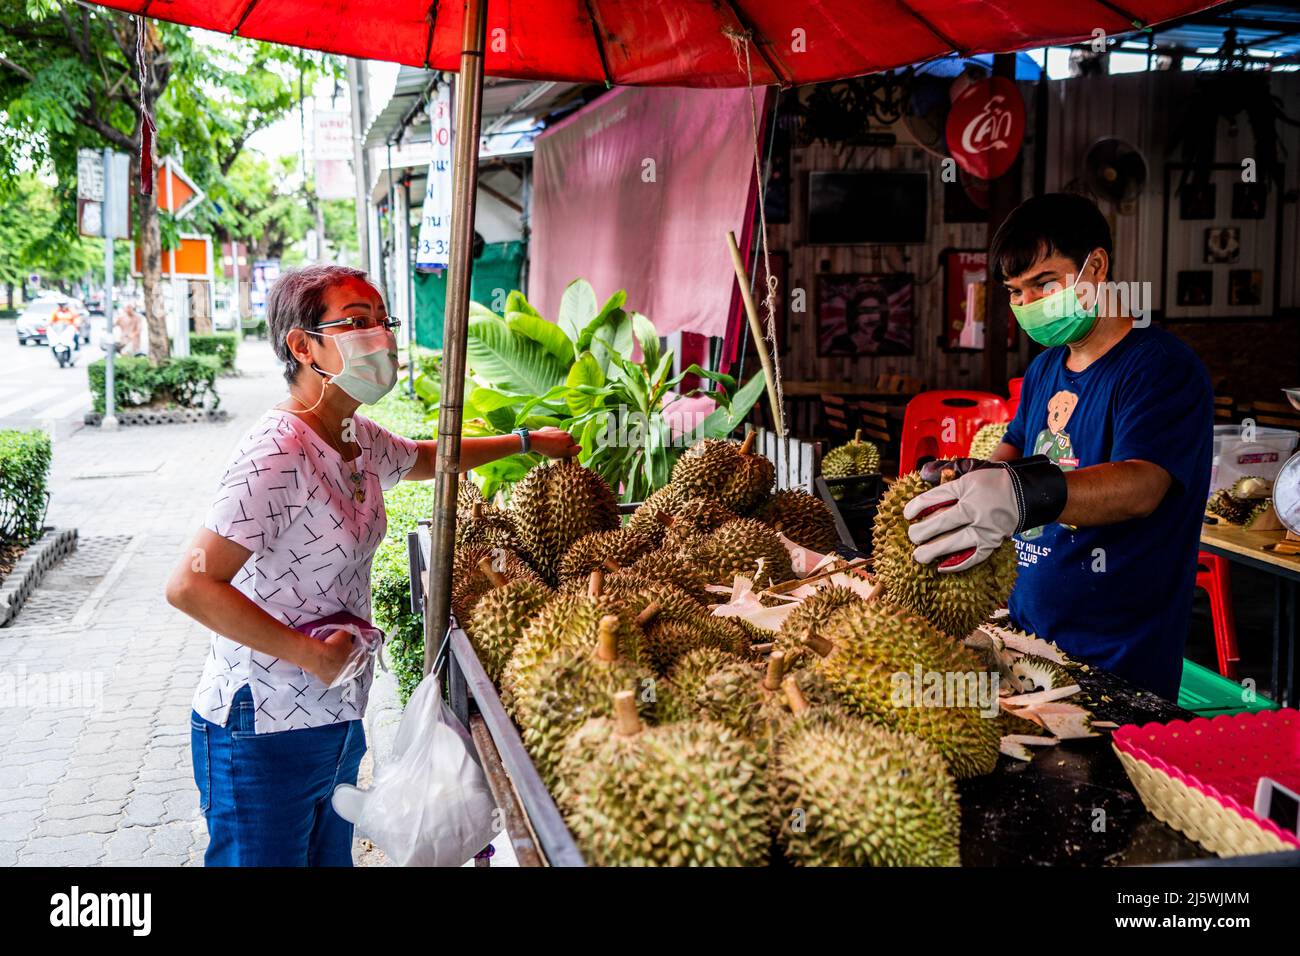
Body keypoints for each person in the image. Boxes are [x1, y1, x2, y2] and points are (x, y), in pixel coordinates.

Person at [165, 265, 580, 866]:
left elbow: (423, 458)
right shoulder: (277, 450)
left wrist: (527, 443)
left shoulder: (349, 433)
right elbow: (190, 585)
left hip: (335, 713)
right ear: (303, 346)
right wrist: (308, 653)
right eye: (356, 322)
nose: (379, 337)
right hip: (261, 726)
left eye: (382, 320)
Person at [904, 193, 1212, 700]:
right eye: (1015, 292)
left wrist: (1019, 495)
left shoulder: (1161, 368)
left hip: (1116, 661)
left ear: (1096, 265)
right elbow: (1017, 445)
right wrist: (968, 479)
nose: (1028, 305)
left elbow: (1142, 484)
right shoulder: (1047, 366)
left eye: (1044, 283)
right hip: (1026, 638)